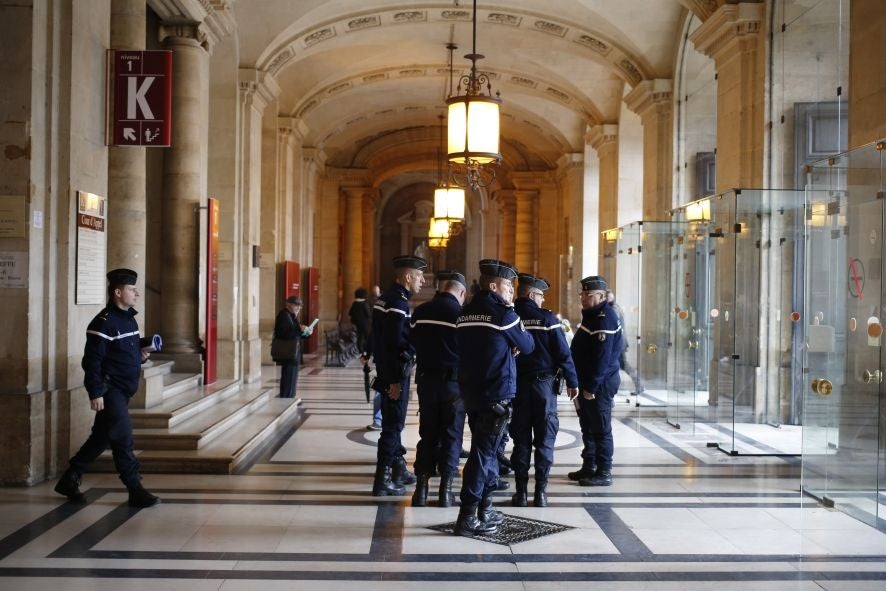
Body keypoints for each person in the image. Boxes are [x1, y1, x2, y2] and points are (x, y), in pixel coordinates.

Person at [54, 268, 160, 508]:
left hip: (124, 390)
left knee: (101, 437)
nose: (137, 294)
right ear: (118, 292)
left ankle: (70, 479)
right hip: (110, 391)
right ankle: (135, 489)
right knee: (123, 439)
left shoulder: (129, 318)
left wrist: (141, 355)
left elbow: (124, 351)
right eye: (133, 290)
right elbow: (92, 361)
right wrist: (96, 392)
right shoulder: (102, 323)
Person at [454, 259, 534, 537]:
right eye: (508, 286)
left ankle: (484, 509)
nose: (512, 292)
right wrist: (511, 339)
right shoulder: (503, 314)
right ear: (493, 286)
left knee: (486, 451)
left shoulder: (465, 313)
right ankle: (467, 516)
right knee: (483, 454)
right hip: (497, 393)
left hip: (471, 392)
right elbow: (528, 345)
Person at [511, 274, 579, 507]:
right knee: (544, 440)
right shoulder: (547, 319)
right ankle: (540, 493)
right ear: (532, 295)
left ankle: (520, 493)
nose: (542, 300)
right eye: (540, 295)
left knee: (520, 441)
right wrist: (572, 381)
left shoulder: (509, 316)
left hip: (517, 387)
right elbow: (563, 353)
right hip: (543, 388)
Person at [409, 270, 467, 507]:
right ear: (461, 292)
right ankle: (445, 492)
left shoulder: (420, 311)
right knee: (452, 435)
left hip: (426, 382)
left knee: (428, 434)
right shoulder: (461, 315)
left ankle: (421, 491)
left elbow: (411, 343)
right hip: (453, 385)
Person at [370, 255, 426, 496]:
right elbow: (395, 342)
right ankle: (382, 480)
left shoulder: (385, 298)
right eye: (419, 276)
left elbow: (377, 338)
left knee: (394, 423)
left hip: (385, 369)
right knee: (393, 426)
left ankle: (398, 467)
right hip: (395, 373)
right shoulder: (399, 303)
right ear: (407, 277)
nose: (422, 280)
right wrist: (394, 380)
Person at [569, 275, 623, 487]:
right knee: (588, 426)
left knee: (601, 428)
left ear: (601, 296)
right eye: (582, 294)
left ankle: (603, 471)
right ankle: (589, 465)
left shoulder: (604, 318)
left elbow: (602, 359)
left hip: (599, 384)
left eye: (588, 295)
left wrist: (591, 387)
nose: (583, 298)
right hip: (588, 381)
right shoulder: (592, 315)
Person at [273, 296, 312, 398]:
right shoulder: (284, 315)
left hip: (294, 351)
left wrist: (307, 333)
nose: (299, 308)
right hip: (288, 350)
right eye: (296, 305)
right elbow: (283, 334)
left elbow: (297, 334)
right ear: (288, 304)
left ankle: (290, 396)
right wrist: (300, 330)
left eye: (300, 306)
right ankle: (286, 397)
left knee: (293, 376)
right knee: (288, 376)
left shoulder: (292, 316)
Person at [606, 290, 645, 394]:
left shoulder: (614, 309)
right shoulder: (615, 307)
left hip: (617, 343)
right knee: (621, 365)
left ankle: (639, 385)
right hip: (619, 342)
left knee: (624, 365)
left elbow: (614, 326)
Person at [367, 285, 383, 430]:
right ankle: (378, 419)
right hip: (383, 357)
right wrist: (366, 353)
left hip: (392, 358)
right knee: (380, 388)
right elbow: (373, 334)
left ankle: (382, 419)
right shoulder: (379, 313)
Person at [348, 287, 372, 356]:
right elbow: (368, 314)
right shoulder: (364, 304)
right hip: (364, 324)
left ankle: (360, 350)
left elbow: (350, 313)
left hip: (356, 324)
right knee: (367, 337)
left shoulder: (354, 303)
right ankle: (366, 350)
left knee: (360, 337)